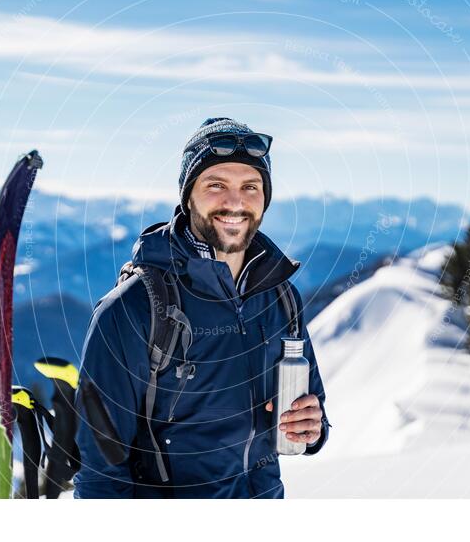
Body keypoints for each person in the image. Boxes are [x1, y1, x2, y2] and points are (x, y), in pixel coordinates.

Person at [74, 117, 330, 498]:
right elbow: (100, 471)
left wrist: (313, 428)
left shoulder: (280, 297)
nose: (235, 202)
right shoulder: (134, 307)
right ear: (188, 195)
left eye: (250, 186)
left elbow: (313, 408)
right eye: (216, 185)